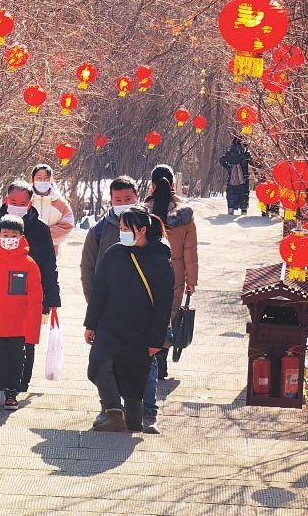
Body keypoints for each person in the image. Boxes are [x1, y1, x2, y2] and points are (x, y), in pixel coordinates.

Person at [84, 206, 175, 433]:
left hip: (141, 330)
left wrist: (157, 340)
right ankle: (114, 412)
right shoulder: (114, 254)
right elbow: (99, 291)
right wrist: (91, 324)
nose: (121, 232)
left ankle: (132, 424)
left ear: (142, 230)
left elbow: (164, 306)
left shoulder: (161, 261)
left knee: (133, 380)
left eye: (126, 228)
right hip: (109, 325)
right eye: (121, 228)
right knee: (98, 364)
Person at [0, 179, 60, 392]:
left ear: (30, 205)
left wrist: (52, 299)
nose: (18, 206)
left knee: (25, 342)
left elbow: (49, 264)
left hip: (29, 296)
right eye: (13, 201)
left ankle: (20, 384)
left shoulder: (40, 230)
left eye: (23, 203)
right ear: (6, 201)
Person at [79, 175, 141, 427]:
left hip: (138, 311)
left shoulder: (150, 228)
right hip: (106, 308)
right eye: (118, 200)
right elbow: (87, 267)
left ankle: (133, 411)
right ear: (111, 200)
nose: (123, 203)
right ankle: (110, 408)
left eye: (128, 199)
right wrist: (92, 305)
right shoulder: (100, 230)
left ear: (137, 198)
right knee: (101, 362)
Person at [142, 164, 199, 433]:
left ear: (152, 185)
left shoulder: (142, 211)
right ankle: (161, 360)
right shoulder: (184, 214)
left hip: (147, 271)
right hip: (174, 271)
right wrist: (192, 281)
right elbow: (190, 251)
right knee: (169, 314)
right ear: (174, 183)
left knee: (150, 312)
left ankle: (153, 359)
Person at [0, 215, 44, 417]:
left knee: (16, 360)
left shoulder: (29, 264)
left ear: (21, 237)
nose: (9, 238)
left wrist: (32, 333)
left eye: (14, 235)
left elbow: (35, 300)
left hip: (19, 326)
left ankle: (11, 393)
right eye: (6, 235)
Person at [30, 164, 75, 255]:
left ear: (51, 180)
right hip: (25, 253)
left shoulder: (60, 203)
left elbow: (68, 225)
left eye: (46, 178)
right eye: (39, 178)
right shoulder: (25, 200)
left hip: (50, 253)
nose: (42, 181)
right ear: (32, 180)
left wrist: (44, 234)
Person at [219, 138, 253, 215]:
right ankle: (243, 213)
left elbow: (221, 160)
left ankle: (230, 212)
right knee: (244, 197)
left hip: (232, 180)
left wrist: (228, 168)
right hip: (243, 180)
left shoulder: (230, 153)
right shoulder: (245, 154)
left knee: (231, 197)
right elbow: (253, 163)